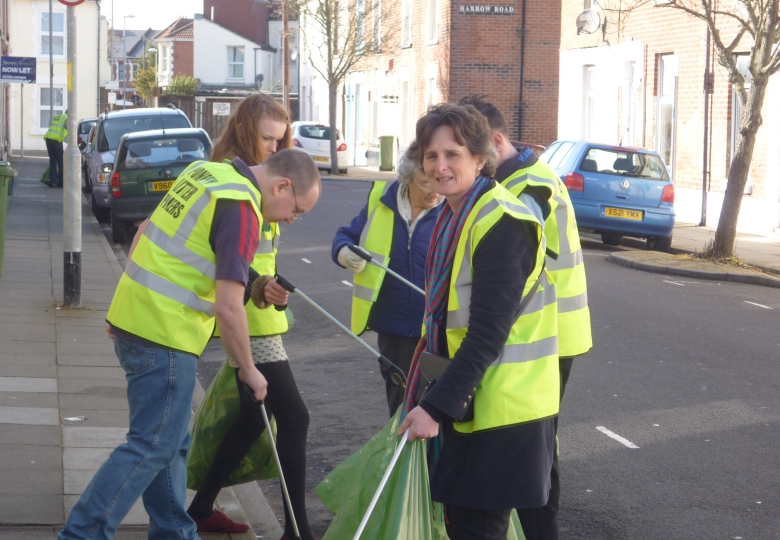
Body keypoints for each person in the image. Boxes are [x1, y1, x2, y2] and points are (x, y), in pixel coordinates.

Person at [57, 148, 321, 540]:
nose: (291, 218)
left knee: (171, 443)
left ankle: (174, 531)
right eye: (296, 208)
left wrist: (122, 307)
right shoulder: (241, 206)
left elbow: (147, 233)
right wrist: (249, 370)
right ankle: (82, 534)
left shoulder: (205, 174)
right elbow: (230, 308)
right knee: (149, 446)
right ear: (282, 185)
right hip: (166, 334)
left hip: (140, 322)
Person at [398, 103, 560, 540]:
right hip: (474, 400)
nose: (440, 166)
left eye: (452, 154)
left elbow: (489, 332)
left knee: (477, 530)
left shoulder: (502, 221)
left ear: (479, 156)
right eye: (431, 156)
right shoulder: (457, 214)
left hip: (504, 412)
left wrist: (434, 405)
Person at [459, 95, 593, 539]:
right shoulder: (520, 179)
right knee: (529, 452)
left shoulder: (528, 187)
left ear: (496, 141)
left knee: (537, 455)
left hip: (544, 337)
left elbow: (513, 274)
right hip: (540, 334)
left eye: (476, 149)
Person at [186, 94, 318, 540]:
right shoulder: (238, 186)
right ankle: (296, 531)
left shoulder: (262, 181)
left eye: (279, 140)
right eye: (266, 138)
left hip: (258, 310)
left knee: (251, 418)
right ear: (244, 129)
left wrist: (270, 284)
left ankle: (201, 507)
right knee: (294, 417)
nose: (272, 148)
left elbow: (254, 257)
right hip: (249, 321)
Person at [331, 150, 443, 416]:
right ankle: (402, 455)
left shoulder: (453, 209)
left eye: (437, 182)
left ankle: (428, 458)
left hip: (434, 327)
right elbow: (347, 234)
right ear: (406, 179)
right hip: (391, 326)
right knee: (400, 404)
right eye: (426, 183)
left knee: (433, 405)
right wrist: (343, 251)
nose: (434, 192)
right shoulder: (381, 199)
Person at [44, 110, 68, 188]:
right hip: (56, 140)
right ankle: (62, 183)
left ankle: (53, 182)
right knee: (61, 162)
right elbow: (68, 128)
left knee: (53, 161)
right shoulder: (67, 118)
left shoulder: (59, 117)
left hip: (48, 139)